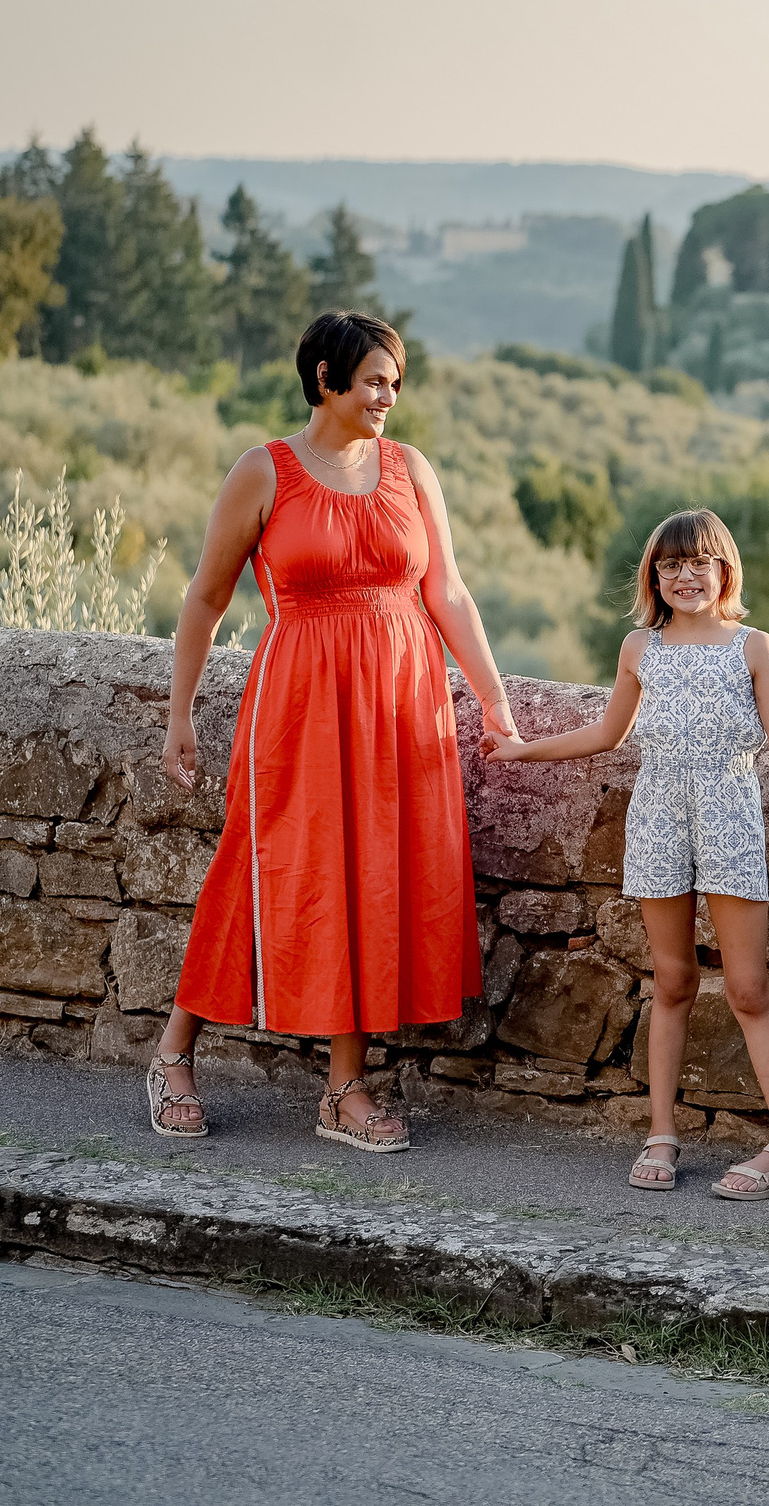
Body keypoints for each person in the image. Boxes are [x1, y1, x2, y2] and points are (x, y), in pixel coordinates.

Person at [149, 311, 518, 1152]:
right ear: (325, 379)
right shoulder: (263, 472)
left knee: (374, 879)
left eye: (396, 381)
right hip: (301, 703)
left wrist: (493, 698)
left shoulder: (410, 469)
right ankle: (173, 1055)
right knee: (259, 868)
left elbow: (448, 592)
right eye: (375, 381)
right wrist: (179, 714)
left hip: (400, 701)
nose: (390, 396)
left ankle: (343, 1089)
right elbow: (205, 598)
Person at [479, 509, 769, 1200]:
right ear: (655, 575)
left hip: (731, 819)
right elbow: (610, 733)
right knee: (670, 981)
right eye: (671, 564)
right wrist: (523, 749)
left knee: (748, 989)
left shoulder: (755, 647)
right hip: (658, 822)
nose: (686, 575)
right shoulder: (641, 649)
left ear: (724, 568)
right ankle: (662, 1132)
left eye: (699, 561)